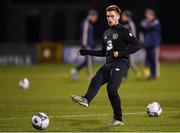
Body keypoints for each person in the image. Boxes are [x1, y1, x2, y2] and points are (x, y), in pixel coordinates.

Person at [71, 5, 141, 126]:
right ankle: (86, 99)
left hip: (121, 63)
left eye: (112, 16)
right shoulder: (106, 33)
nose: (109, 18)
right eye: (108, 16)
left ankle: (118, 119)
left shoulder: (123, 30)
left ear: (118, 17)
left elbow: (137, 45)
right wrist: (85, 52)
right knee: (95, 80)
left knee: (111, 89)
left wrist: (120, 53)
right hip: (108, 64)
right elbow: (104, 52)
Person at [70, 10, 98, 80]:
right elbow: (84, 34)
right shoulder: (86, 23)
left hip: (89, 45)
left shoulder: (89, 23)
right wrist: (85, 45)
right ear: (91, 16)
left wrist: (92, 44)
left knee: (87, 61)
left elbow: (89, 35)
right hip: (86, 45)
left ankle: (75, 71)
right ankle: (90, 76)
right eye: (95, 17)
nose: (95, 19)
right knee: (89, 60)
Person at [139, 9, 161, 79]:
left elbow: (150, 29)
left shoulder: (156, 23)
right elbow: (141, 31)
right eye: (146, 15)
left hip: (154, 44)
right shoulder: (145, 23)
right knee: (147, 60)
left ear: (152, 15)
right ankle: (149, 74)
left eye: (148, 15)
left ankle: (155, 74)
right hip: (147, 44)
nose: (147, 16)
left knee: (154, 60)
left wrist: (146, 24)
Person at [120, 10, 141, 79]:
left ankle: (137, 73)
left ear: (127, 17)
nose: (122, 17)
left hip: (130, 46)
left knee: (131, 62)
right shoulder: (123, 24)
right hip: (124, 46)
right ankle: (125, 76)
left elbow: (133, 35)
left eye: (123, 15)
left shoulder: (131, 24)